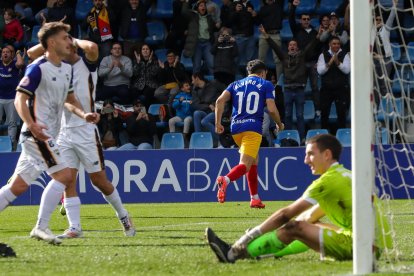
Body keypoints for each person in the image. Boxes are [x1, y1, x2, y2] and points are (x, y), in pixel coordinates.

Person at [206, 134, 392, 263]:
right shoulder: (344, 175)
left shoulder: (327, 182)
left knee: (295, 227)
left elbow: (285, 215)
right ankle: (263, 251)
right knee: (306, 224)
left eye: (311, 154)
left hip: (363, 248)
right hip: (375, 246)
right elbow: (308, 217)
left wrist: (248, 237)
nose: (306, 160)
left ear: (327, 155)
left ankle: (233, 253)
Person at [0, 22, 99, 244]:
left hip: (45, 135)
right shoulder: (38, 67)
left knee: (17, 186)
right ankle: (41, 227)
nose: (69, 41)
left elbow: (69, 100)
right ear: (52, 42)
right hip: (37, 134)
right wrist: (32, 124)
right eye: (65, 37)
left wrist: (84, 115)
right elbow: (19, 98)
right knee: (64, 176)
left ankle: (41, 227)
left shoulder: (66, 69)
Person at [27, 37, 136, 238]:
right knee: (67, 179)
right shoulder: (58, 68)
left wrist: (72, 39)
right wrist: (51, 35)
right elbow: (31, 54)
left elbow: (93, 47)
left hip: (86, 131)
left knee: (99, 181)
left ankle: (124, 216)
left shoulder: (87, 65)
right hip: (64, 131)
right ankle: (75, 227)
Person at [214, 59, 284, 208]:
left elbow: (220, 101)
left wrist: (218, 123)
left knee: (254, 160)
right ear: (263, 72)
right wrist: (279, 123)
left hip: (235, 128)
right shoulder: (266, 84)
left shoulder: (235, 84)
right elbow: (271, 109)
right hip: (252, 128)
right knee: (245, 165)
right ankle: (224, 180)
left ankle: (255, 198)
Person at [260, 25, 320, 142]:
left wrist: (317, 37)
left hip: (299, 90)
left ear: (297, 48)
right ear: (288, 47)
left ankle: (302, 138)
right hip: (287, 89)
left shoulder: (302, 56)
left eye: (294, 45)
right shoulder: (284, 57)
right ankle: (287, 137)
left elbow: (311, 46)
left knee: (299, 115)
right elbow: (274, 46)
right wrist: (266, 35)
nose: (292, 46)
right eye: (290, 45)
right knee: (287, 115)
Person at [317, 36, 350, 133]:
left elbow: (347, 70)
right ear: (329, 45)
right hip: (326, 89)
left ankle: (342, 136)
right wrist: (330, 62)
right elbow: (320, 71)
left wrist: (337, 62)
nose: (336, 45)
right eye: (334, 44)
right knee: (324, 114)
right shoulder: (323, 55)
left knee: (341, 114)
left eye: (338, 44)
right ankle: (324, 136)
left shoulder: (345, 55)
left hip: (341, 89)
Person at [371, 0, 398, 104]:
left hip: (385, 59)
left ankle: (387, 102)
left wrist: (394, 6)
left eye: (379, 19)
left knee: (384, 82)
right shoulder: (370, 32)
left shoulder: (385, 29)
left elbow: (391, 17)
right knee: (374, 83)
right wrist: (374, 55)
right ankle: (376, 105)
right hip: (373, 59)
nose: (378, 21)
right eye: (376, 19)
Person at [181, 0, 217, 75]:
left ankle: (214, 82)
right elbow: (184, 12)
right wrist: (187, 2)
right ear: (197, 8)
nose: (203, 7)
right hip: (197, 44)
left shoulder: (209, 18)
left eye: (204, 6)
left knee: (212, 64)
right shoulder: (193, 16)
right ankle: (196, 85)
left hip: (207, 44)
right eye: (201, 6)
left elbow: (214, 28)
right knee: (197, 66)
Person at [0, 45, 25, 150]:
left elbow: (20, 63)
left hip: (12, 98)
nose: (5, 53)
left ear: (12, 55)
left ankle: (11, 145)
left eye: (8, 52)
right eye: (3, 52)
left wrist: (18, 53)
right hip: (0, 98)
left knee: (12, 123)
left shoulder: (15, 65)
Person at [130, 43, 161, 109]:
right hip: (138, 84)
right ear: (141, 51)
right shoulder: (137, 60)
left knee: (147, 94)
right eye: (143, 49)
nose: (145, 50)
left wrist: (149, 63)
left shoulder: (155, 61)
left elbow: (154, 73)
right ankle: (135, 110)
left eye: (147, 49)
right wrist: (138, 63)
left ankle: (144, 111)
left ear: (150, 51)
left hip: (151, 84)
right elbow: (135, 73)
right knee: (133, 91)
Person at [169, 80, 193, 145]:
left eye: (189, 85)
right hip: (179, 116)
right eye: (187, 86)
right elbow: (174, 106)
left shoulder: (192, 96)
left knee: (186, 120)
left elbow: (194, 109)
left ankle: (183, 137)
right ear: (182, 89)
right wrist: (179, 101)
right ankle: (172, 138)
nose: (189, 87)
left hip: (189, 116)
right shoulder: (178, 96)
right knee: (171, 121)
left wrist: (192, 105)